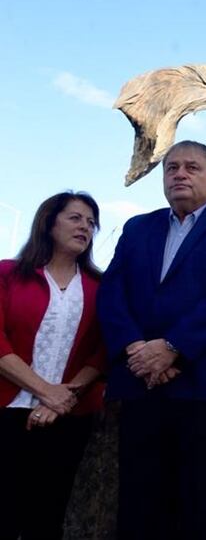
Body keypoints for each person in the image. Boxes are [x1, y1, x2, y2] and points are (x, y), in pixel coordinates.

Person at [97, 140, 206, 540]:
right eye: (172, 168)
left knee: (205, 504)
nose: (180, 174)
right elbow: (112, 290)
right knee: (139, 502)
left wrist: (172, 349)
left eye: (192, 167)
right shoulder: (138, 227)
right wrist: (137, 349)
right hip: (142, 386)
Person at [0, 192, 106, 540]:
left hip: (69, 418)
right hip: (7, 411)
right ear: (49, 222)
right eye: (75, 218)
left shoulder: (99, 287)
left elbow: (102, 352)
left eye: (91, 222)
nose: (85, 227)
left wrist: (62, 401)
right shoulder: (8, 274)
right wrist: (47, 392)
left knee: (47, 517)